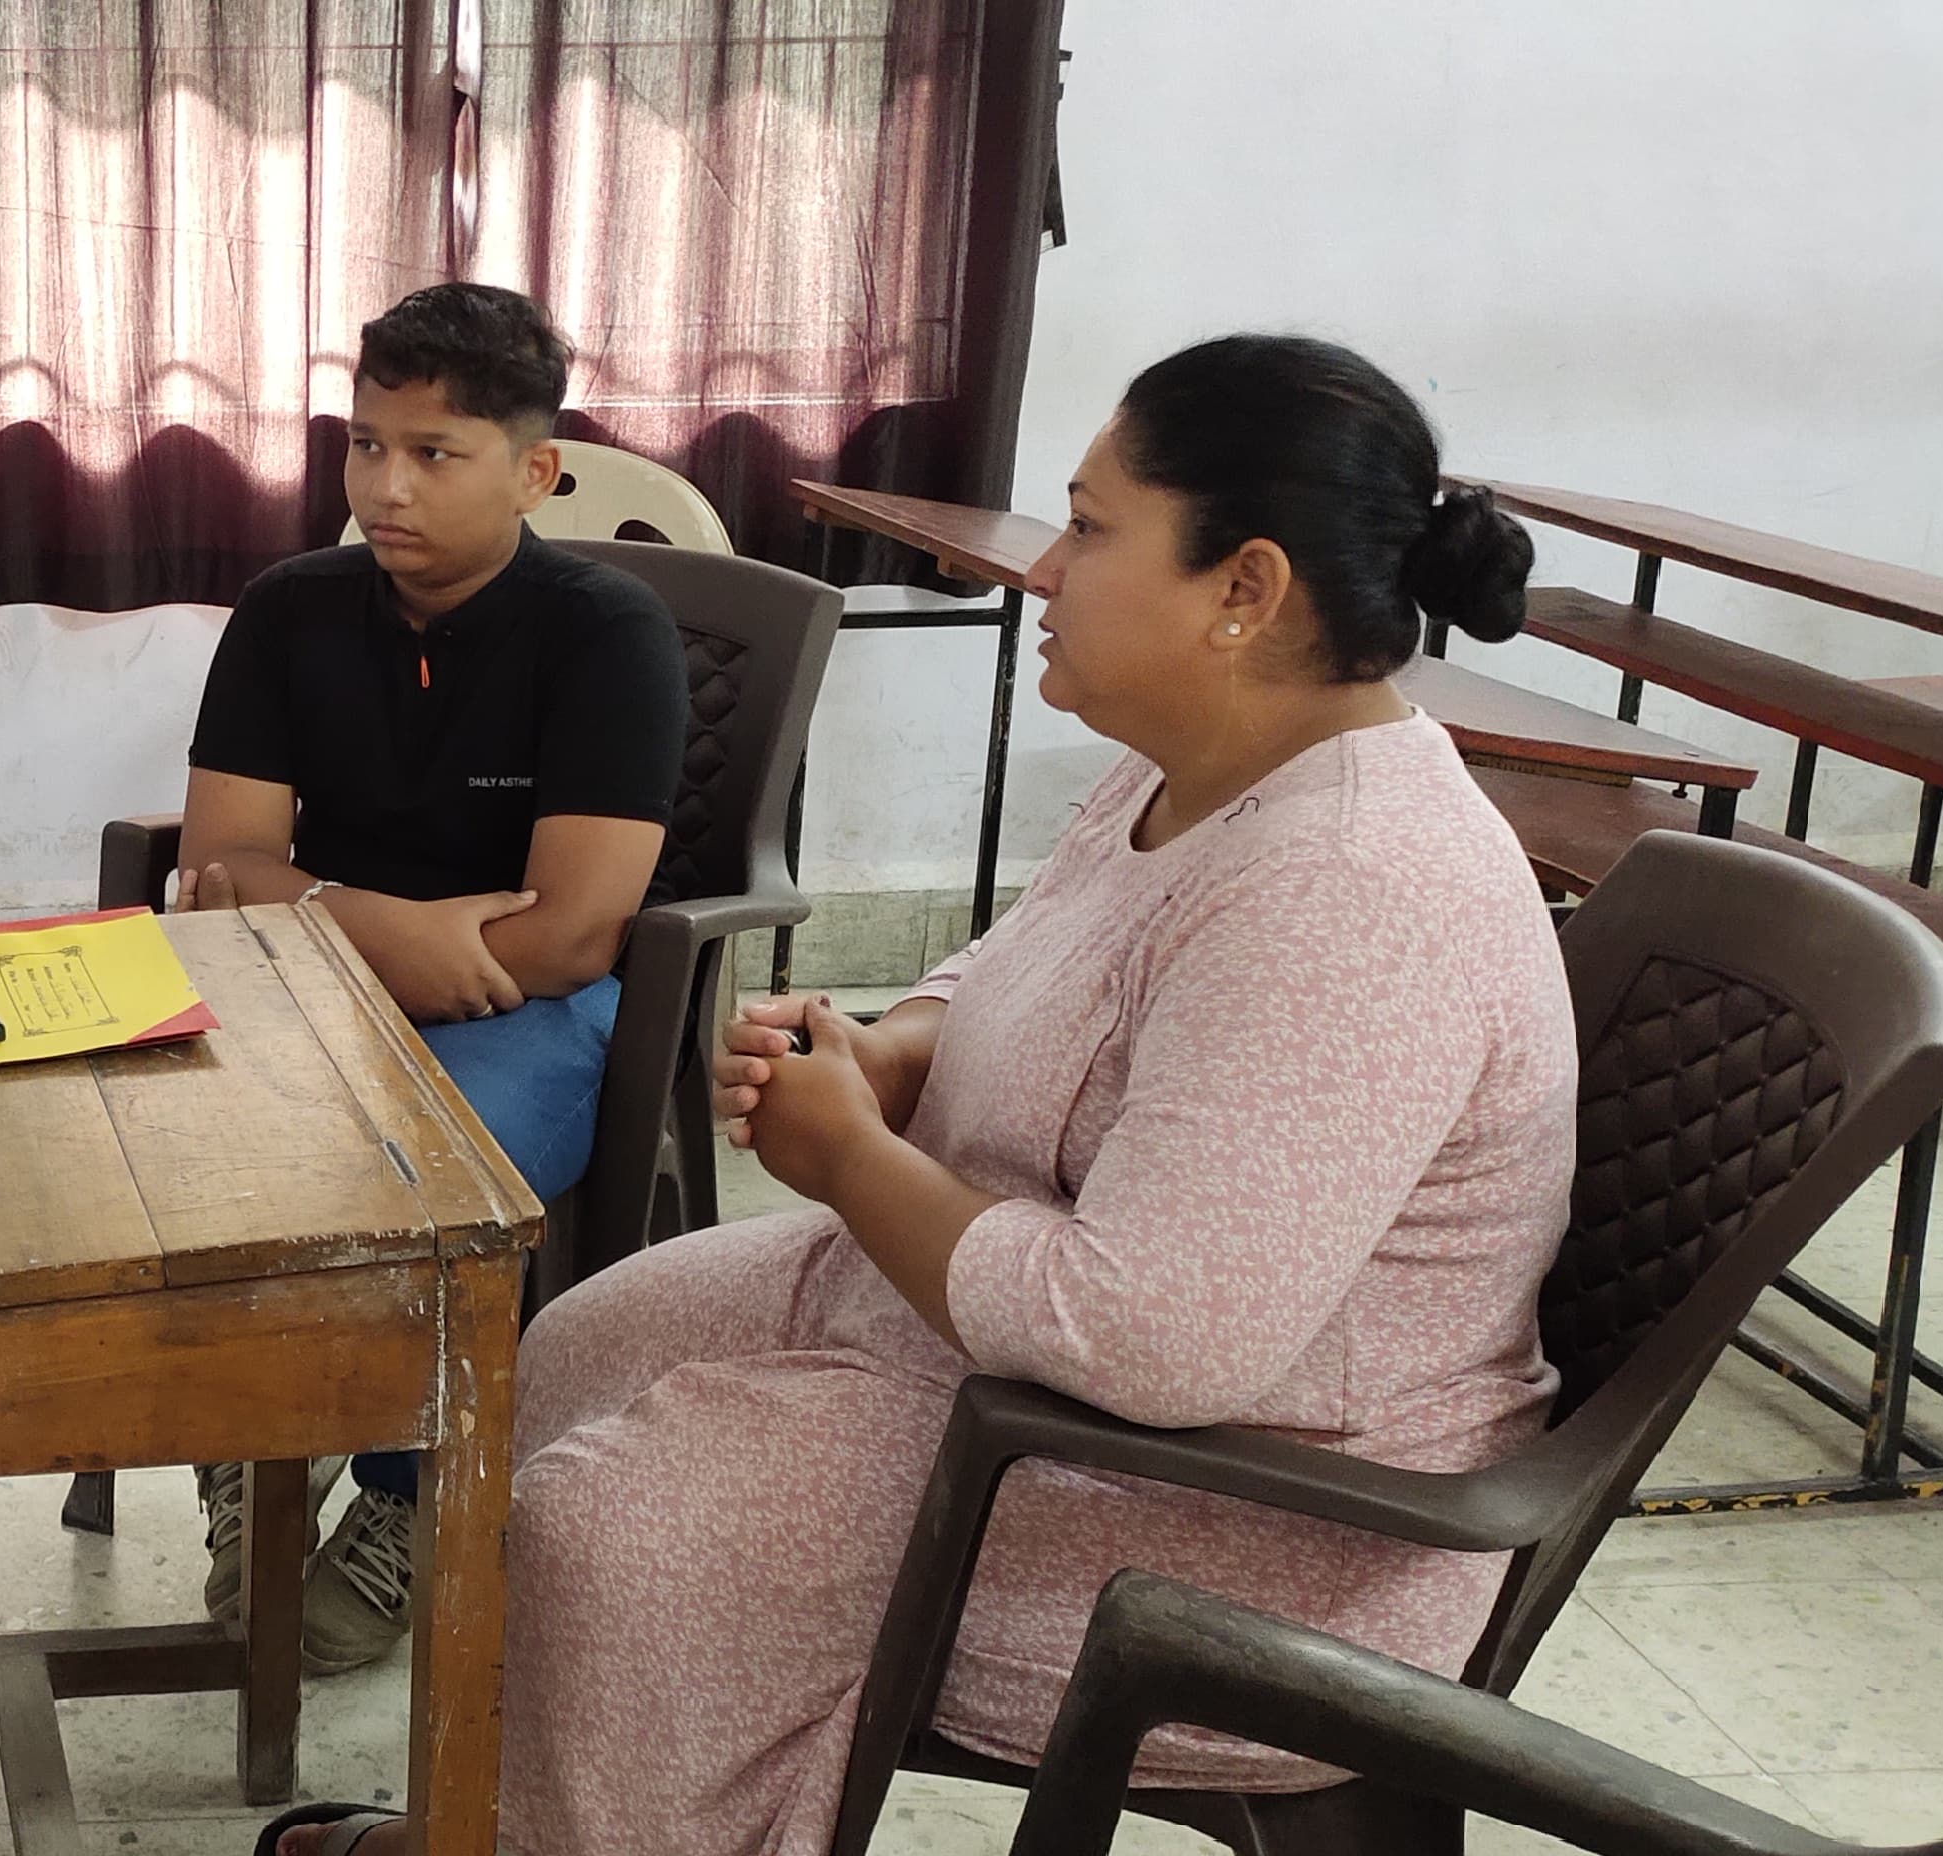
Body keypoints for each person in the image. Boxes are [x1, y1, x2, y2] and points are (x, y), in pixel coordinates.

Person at [267, 333, 1573, 1855]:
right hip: (1036, 1381)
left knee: (616, 1535)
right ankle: (528, 1830)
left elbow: (1146, 1336)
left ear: (1245, 590)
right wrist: (899, 1047)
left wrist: (848, 1159)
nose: (1045, 570)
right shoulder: (1202, 764)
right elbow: (1023, 959)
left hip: (1248, 1510)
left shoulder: (1348, 892)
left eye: (1090, 529)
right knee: (575, 1351)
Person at [172, 282, 688, 1674]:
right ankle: (255, 1447)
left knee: (419, 1177)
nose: (385, 488)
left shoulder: (606, 633)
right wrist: (391, 933)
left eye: (434, 454)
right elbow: (218, 864)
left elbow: (571, 935)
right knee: (173, 1152)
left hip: (527, 1003)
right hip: (315, 973)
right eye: (365, 445)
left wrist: (317, 910)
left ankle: (402, 1496)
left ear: (535, 471)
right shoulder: (288, 610)